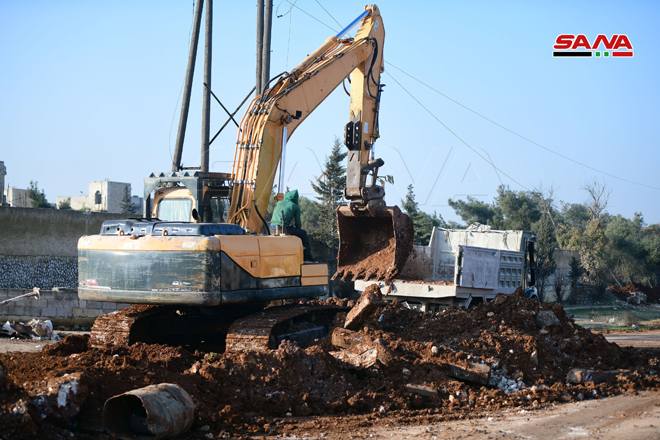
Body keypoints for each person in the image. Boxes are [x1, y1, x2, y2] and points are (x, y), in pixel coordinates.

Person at [271, 189, 316, 262]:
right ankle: (307, 255)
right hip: (283, 229)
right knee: (303, 233)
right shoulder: (295, 206)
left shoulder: (279, 203)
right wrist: (298, 230)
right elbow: (298, 223)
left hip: (272, 228)